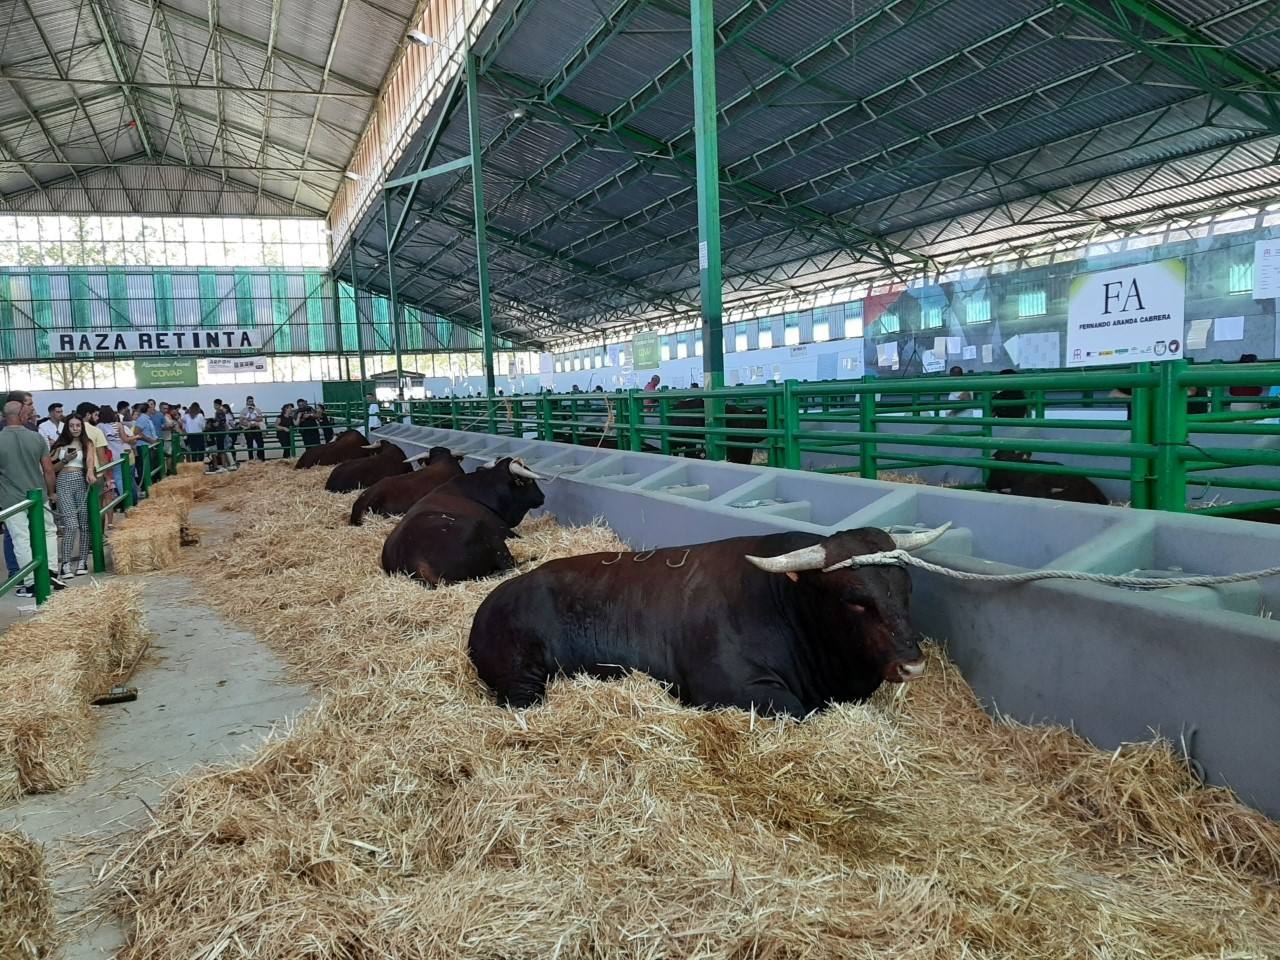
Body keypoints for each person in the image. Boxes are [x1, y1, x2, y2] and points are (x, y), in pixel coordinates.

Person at [0, 400, 64, 596]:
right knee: (49, 531)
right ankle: (51, 571)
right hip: (38, 496)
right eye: (27, 413)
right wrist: (51, 492)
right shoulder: (36, 438)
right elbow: (48, 469)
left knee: (21, 539)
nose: (29, 416)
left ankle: (30, 582)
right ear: (20, 416)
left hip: (10, 499)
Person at [49, 414, 96, 577]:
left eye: (78, 426)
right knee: (70, 525)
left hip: (81, 482)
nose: (75, 429)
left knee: (84, 523)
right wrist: (65, 460)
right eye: (72, 426)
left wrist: (90, 471)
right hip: (63, 482)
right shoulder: (59, 445)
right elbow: (51, 469)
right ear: (66, 427)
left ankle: (82, 561)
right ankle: (66, 563)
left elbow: (90, 461)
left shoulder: (87, 443)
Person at [181, 402, 212, 472]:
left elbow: (182, 422)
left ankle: (195, 467)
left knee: (193, 451)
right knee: (201, 451)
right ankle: (200, 466)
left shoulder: (186, 416)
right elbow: (203, 427)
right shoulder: (200, 415)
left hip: (190, 435)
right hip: (199, 435)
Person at [240, 396, 266, 461]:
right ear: (246, 402)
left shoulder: (257, 409)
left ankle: (261, 459)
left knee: (260, 444)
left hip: (256, 428)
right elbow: (241, 421)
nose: (251, 403)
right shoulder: (243, 410)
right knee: (250, 444)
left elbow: (261, 418)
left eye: (252, 401)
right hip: (248, 428)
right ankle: (251, 460)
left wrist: (255, 420)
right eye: (249, 401)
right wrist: (248, 424)